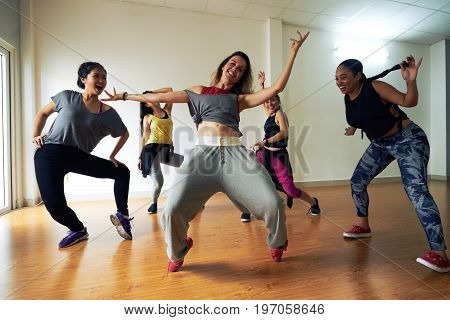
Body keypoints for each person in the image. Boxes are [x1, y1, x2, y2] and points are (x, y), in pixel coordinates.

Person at [104, 30, 310, 272]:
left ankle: (278, 241)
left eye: (241, 68)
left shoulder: (240, 98)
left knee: (273, 202)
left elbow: (276, 87)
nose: (235, 68)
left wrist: (294, 52)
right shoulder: (198, 91)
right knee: (171, 210)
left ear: (242, 76)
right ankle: (178, 251)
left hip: (235, 155)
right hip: (202, 155)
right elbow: (159, 96)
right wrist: (125, 96)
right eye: (233, 63)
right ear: (223, 66)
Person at [335, 55, 449, 273]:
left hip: (408, 139)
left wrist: (411, 81)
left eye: (344, 77)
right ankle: (363, 226)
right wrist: (353, 128)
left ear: (358, 76)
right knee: (357, 181)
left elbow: (409, 101)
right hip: (381, 144)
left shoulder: (376, 87)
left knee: (417, 192)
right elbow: (363, 116)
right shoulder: (348, 97)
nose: (340, 82)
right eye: (336, 79)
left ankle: (440, 255)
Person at [32, 62, 132, 248]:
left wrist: (113, 155)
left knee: (122, 171)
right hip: (49, 154)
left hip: (78, 156)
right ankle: (78, 229)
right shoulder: (67, 97)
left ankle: (123, 215)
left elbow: (124, 133)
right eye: (97, 76)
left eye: (104, 77)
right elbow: (43, 113)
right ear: (83, 78)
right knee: (54, 207)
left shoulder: (108, 113)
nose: (101, 80)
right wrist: (35, 135)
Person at [240, 70, 320, 223]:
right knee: (252, 179)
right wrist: (262, 84)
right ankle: (247, 210)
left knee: (290, 189)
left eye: (273, 100)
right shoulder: (269, 112)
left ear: (278, 101)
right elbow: (264, 98)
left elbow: (284, 133)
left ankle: (314, 203)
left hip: (278, 156)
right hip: (264, 154)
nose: (270, 103)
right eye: (267, 101)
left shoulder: (279, 114)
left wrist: (265, 142)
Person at [138, 87, 177, 214]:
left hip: (166, 149)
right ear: (146, 104)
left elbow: (170, 90)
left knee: (188, 168)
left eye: (155, 97)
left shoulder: (167, 110)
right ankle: (153, 203)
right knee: (158, 182)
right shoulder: (148, 117)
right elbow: (145, 137)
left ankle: (191, 198)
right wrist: (139, 156)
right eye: (150, 99)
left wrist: (151, 93)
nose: (155, 100)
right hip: (151, 150)